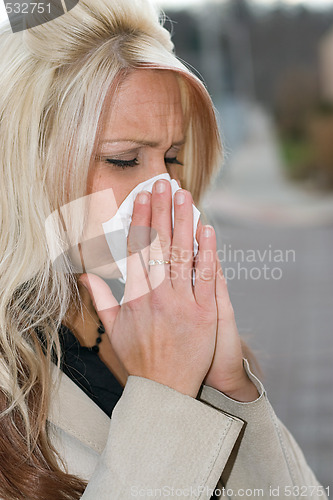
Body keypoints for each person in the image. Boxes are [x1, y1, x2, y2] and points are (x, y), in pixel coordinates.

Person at [0, 0, 328, 499]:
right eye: (124, 158)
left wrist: (228, 390)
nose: (167, 191)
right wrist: (167, 395)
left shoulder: (150, 319)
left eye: (173, 157)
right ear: (23, 163)